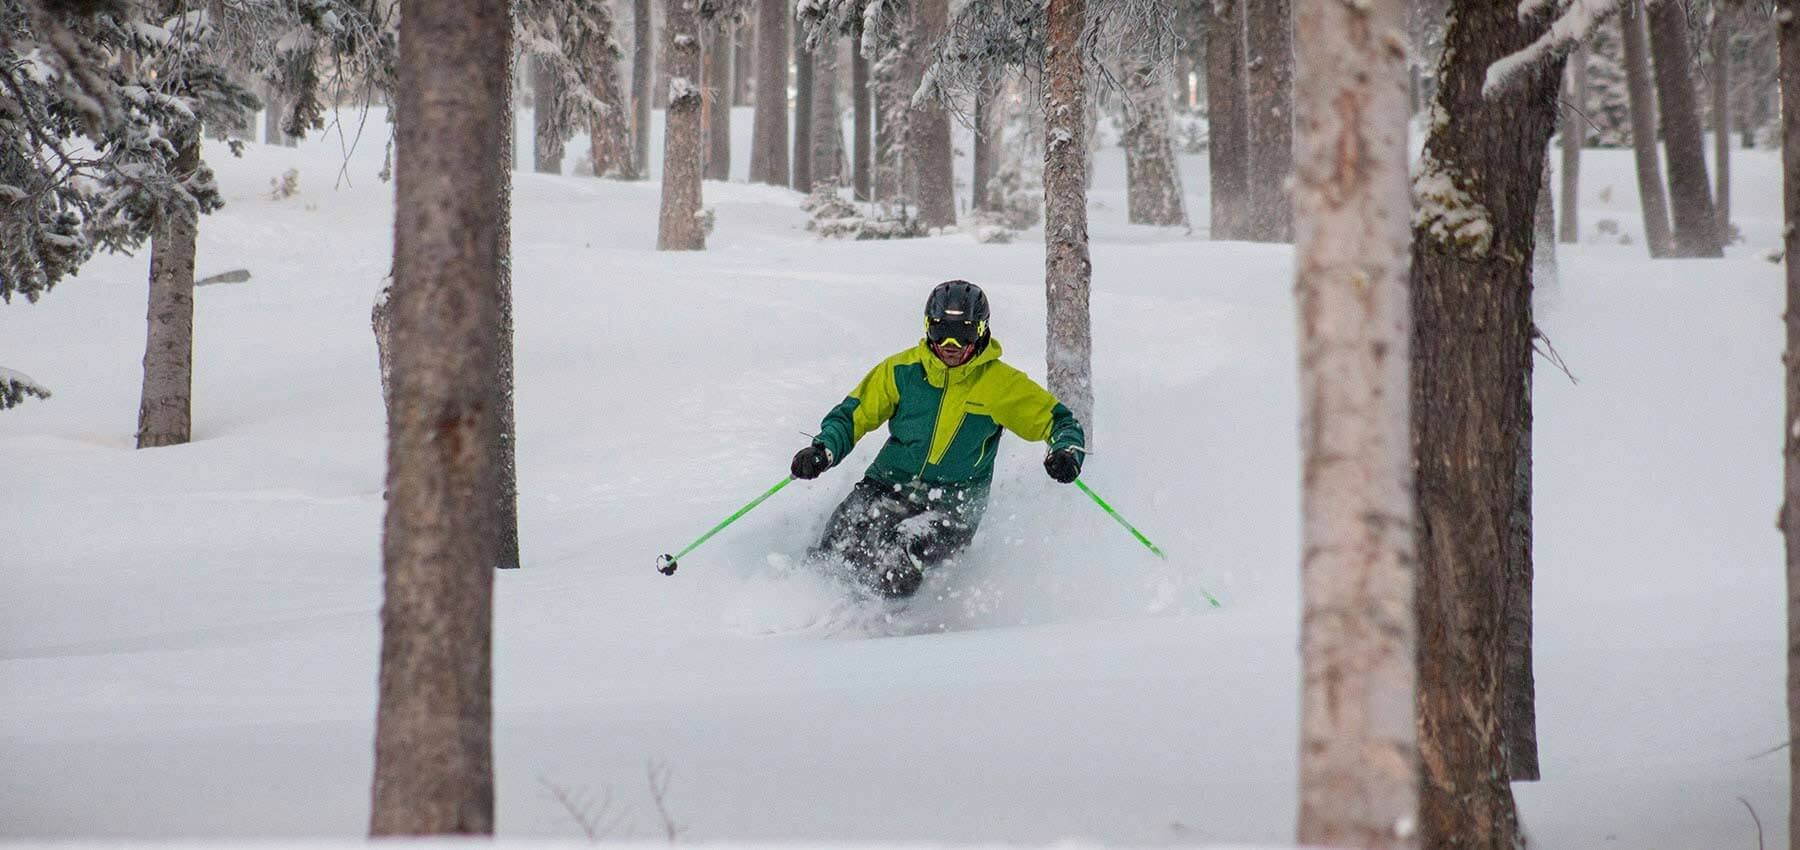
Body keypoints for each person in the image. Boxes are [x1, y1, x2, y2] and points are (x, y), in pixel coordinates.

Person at [789, 280, 1087, 598]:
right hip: (887, 484)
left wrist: (1065, 451)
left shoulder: (1000, 385)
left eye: (964, 334)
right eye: (940, 331)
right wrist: (823, 449)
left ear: (982, 331)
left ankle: (879, 631)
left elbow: (1059, 423)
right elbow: (853, 416)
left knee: (904, 551)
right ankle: (809, 614)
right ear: (927, 327)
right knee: (841, 540)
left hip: (952, 506)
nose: (950, 344)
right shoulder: (902, 371)